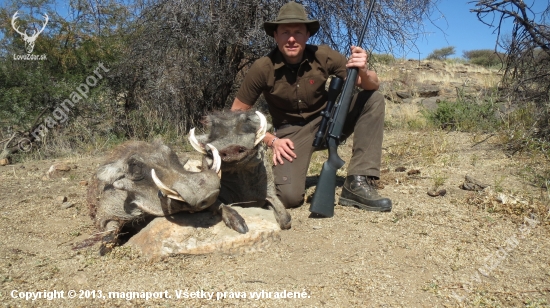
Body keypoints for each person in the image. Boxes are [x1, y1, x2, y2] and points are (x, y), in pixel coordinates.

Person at [231, 1, 392, 212]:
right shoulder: (262, 67)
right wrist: (271, 140)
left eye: (298, 32)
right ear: (275, 36)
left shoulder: (323, 55)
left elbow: (371, 84)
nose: (291, 38)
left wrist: (362, 70)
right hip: (290, 134)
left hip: (330, 119)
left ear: (307, 35)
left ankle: (358, 183)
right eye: (285, 32)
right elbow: (237, 113)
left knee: (373, 99)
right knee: (288, 198)